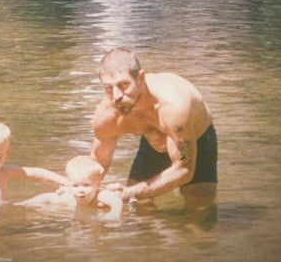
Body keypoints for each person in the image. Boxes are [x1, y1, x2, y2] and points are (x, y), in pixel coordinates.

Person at [90, 47, 218, 211]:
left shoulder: (174, 106)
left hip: (195, 137)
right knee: (139, 208)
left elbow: (185, 170)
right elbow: (98, 163)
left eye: (123, 85)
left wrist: (129, 192)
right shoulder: (106, 116)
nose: (116, 96)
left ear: (141, 78)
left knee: (199, 210)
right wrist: (81, 186)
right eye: (108, 88)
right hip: (153, 141)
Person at [14, 155, 123, 221]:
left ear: (98, 185)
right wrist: (23, 204)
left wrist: (115, 212)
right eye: (75, 185)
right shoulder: (70, 197)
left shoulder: (100, 195)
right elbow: (46, 198)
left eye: (86, 185)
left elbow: (115, 200)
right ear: (69, 185)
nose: (81, 190)